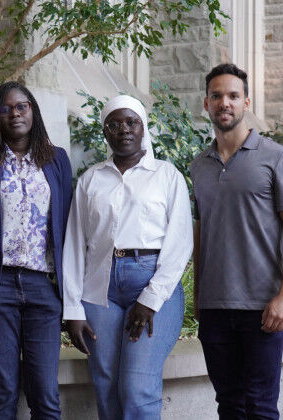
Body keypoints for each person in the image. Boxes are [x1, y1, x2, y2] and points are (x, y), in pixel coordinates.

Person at [63, 95, 193, 419]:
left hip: (151, 282)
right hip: (100, 289)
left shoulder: (167, 176)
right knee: (106, 385)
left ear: (143, 127)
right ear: (105, 132)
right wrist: (72, 309)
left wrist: (150, 299)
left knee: (137, 388)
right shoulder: (91, 179)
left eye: (131, 122)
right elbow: (75, 246)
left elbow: (180, 244)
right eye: (115, 124)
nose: (124, 129)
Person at [191, 63, 283, 419]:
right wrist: (198, 296)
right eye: (216, 96)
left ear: (246, 102)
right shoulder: (199, 165)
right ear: (206, 104)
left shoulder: (278, 157)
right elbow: (201, 232)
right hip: (214, 307)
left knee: (259, 406)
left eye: (233, 95)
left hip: (263, 306)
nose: (224, 102)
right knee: (228, 404)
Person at [0, 81, 73, 419]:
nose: (14, 114)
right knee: (2, 393)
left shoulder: (57, 160)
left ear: (33, 110)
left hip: (43, 287)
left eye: (22, 106)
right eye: (5, 109)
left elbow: (67, 222)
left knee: (45, 395)